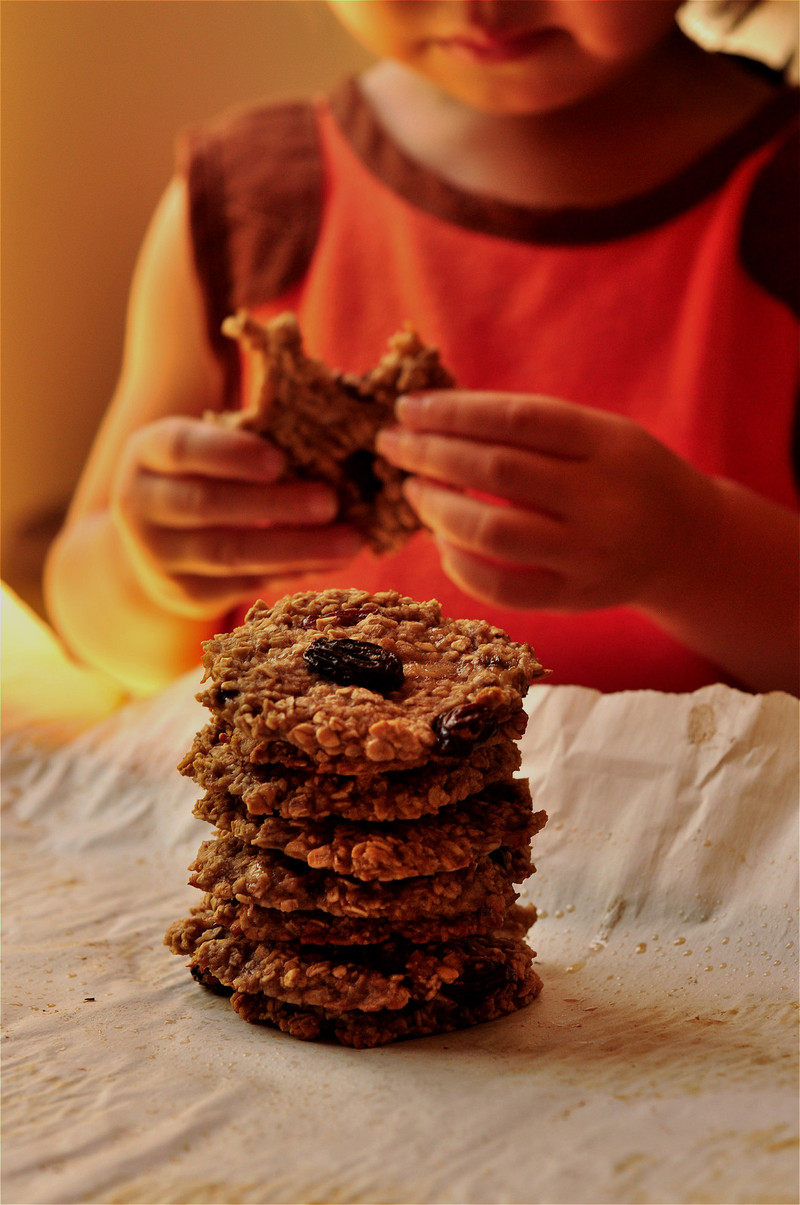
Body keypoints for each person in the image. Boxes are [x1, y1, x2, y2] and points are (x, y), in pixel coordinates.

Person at [45, 0, 799, 697]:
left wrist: (692, 550)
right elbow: (97, 628)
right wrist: (151, 575)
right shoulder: (251, 210)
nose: (485, 3)